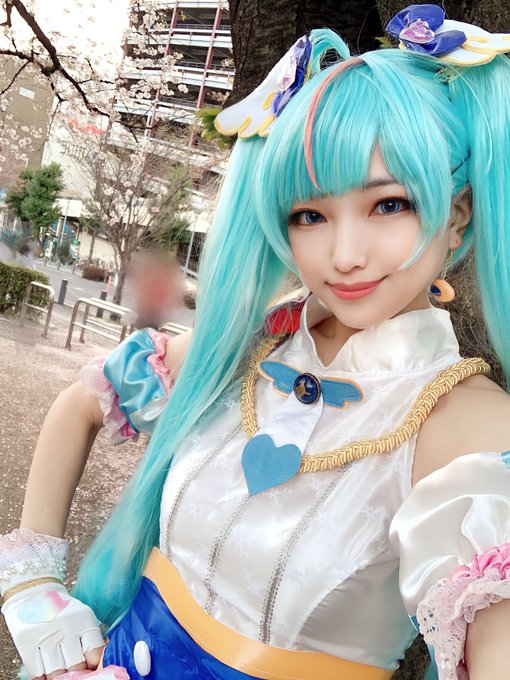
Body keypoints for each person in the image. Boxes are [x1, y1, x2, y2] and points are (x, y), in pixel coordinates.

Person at [2, 5, 510, 679]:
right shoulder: (258, 345)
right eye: (310, 215)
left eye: (389, 204)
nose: (345, 255)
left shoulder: (472, 429)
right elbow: (80, 404)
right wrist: (32, 585)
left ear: (458, 216)